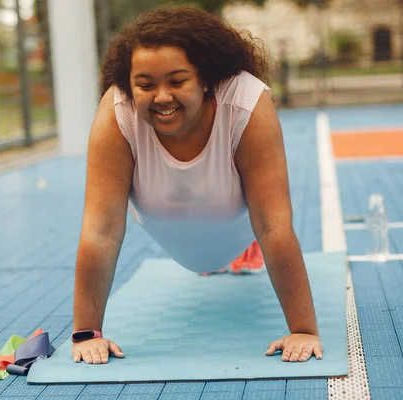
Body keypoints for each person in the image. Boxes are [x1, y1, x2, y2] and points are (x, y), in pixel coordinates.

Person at [71, 5, 323, 366]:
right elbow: (101, 230)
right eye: (145, 85)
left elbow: (272, 224)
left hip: (237, 222)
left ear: (205, 78)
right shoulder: (117, 112)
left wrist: (303, 330)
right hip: (170, 225)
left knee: (263, 226)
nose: (161, 97)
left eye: (177, 81)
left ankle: (242, 251)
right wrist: (86, 334)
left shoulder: (246, 103)